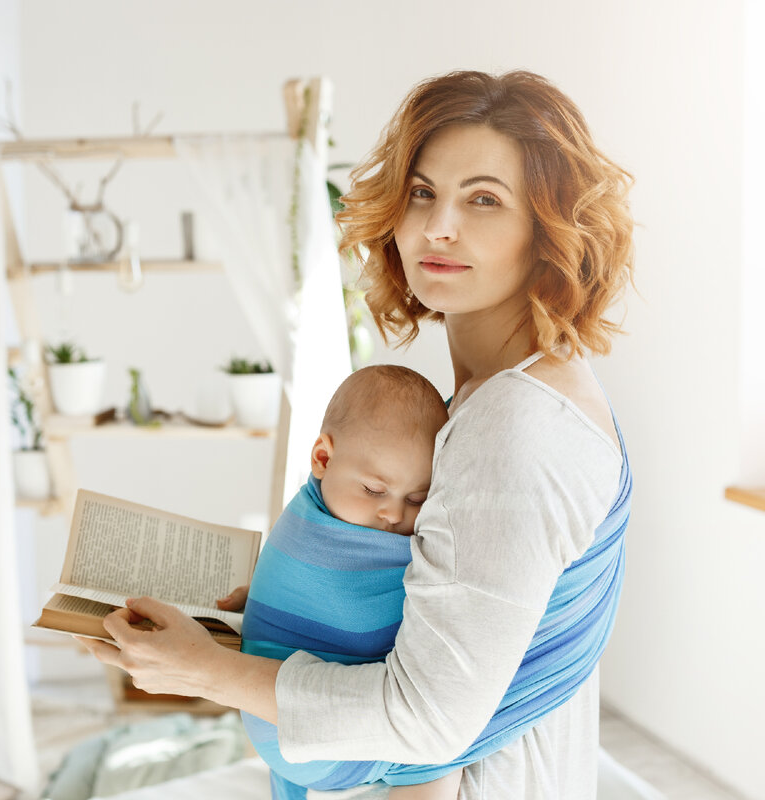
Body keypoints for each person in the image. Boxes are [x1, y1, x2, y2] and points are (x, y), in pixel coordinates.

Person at [79, 69, 635, 800]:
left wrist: (204, 671)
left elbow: (429, 717)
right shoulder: (506, 393)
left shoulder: (515, 426)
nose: (438, 226)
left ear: (550, 230)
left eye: (485, 200)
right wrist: (302, 602)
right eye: (422, 192)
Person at [236, 363, 460, 800]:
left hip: (275, 733)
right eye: (375, 491)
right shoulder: (341, 543)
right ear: (322, 458)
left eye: (418, 499)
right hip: (318, 741)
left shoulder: (309, 507)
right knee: (443, 747)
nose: (394, 515)